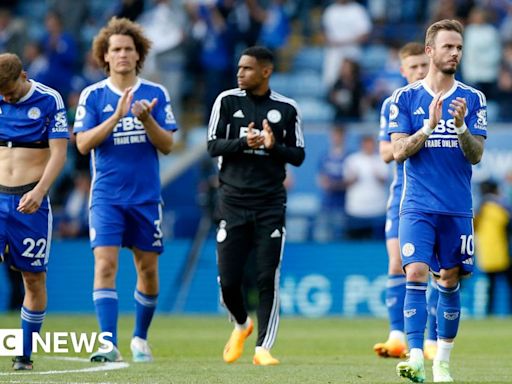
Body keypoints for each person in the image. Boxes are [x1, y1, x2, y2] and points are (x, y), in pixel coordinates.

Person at [73, 17, 177, 363]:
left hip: (146, 197)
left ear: (138, 55)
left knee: (147, 269)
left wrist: (146, 119)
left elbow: (168, 145)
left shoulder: (156, 94)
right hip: (106, 197)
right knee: (105, 265)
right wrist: (116, 117)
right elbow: (83, 144)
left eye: (128, 49)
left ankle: (140, 339)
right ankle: (108, 343)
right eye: (115, 49)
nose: (121, 55)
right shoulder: (93, 95)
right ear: (104, 56)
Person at [389, 19, 487, 383]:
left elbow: (476, 155)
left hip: (457, 207)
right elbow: (399, 152)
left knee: (448, 279)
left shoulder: (473, 99)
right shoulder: (406, 98)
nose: (455, 53)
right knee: (413, 271)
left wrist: (460, 126)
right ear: (430, 50)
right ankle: (415, 357)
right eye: (448, 47)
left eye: (459, 47)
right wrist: (428, 126)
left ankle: (442, 363)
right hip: (417, 204)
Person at [207, 46, 305, 366]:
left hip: (269, 204)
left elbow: (298, 155)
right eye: (239, 68)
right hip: (232, 202)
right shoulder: (226, 101)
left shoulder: (287, 109)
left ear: (266, 71)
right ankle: (241, 324)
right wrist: (242, 143)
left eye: (247, 69)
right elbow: (212, 145)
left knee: (267, 277)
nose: (240, 73)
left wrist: (274, 146)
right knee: (228, 281)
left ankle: (263, 347)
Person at [0, 53, 69, 370]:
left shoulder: (48, 99)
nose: (6, 97)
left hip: (30, 203)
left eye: (10, 90)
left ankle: (24, 356)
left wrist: (40, 191)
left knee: (33, 278)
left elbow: (59, 153)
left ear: (23, 76)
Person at [374, 42, 439, 360]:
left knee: (436, 268)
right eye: (412, 67)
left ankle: (432, 339)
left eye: (422, 66)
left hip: (439, 195)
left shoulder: (445, 99)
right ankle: (397, 335)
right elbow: (387, 153)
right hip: (403, 195)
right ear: (402, 71)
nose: (419, 72)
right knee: (398, 263)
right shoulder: (394, 103)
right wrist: (419, 136)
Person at [474, 180, 512, 315]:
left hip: (486, 254)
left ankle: (489, 313)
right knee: (507, 283)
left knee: (491, 286)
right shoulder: (499, 207)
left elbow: (473, 226)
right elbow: (507, 223)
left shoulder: (479, 209)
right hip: (502, 253)